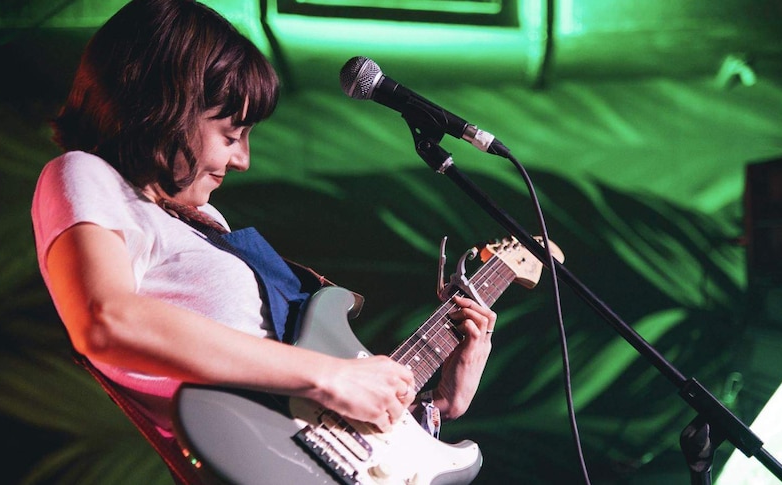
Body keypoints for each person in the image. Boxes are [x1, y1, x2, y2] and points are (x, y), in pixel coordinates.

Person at [31, 0, 496, 482]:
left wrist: (435, 402)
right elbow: (106, 319)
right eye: (233, 134)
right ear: (164, 110)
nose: (243, 160)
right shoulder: (87, 174)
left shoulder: (201, 219)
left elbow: (298, 415)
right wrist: (330, 376)